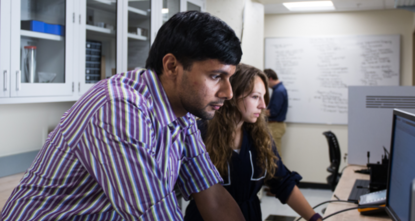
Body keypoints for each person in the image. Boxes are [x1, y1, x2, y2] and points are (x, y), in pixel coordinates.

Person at [1, 11, 246, 221]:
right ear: (172, 66)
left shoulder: (183, 115)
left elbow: (210, 192)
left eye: (229, 78)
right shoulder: (119, 108)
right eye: (216, 76)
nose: (228, 92)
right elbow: (155, 214)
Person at [184, 64, 323, 221]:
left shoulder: (259, 137)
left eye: (263, 97)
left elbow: (282, 182)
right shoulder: (198, 135)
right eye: (255, 97)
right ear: (232, 95)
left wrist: (314, 218)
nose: (263, 105)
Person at [264, 68, 288, 157]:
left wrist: (260, 112)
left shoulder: (279, 91)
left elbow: (273, 112)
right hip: (276, 126)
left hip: (275, 126)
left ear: (270, 78)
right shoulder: (278, 89)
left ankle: (279, 171)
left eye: (265, 81)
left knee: (275, 155)